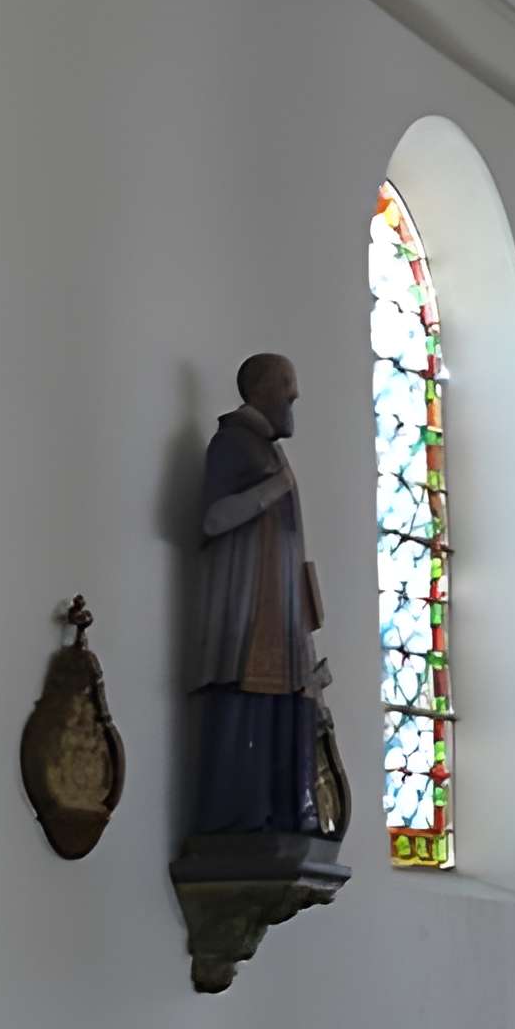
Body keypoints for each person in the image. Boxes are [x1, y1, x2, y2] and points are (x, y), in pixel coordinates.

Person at [192, 354, 327, 836]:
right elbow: (212, 519)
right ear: (262, 390)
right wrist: (273, 489)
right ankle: (237, 818)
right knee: (244, 701)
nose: (295, 396)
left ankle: (284, 814)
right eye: (287, 385)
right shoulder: (231, 444)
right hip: (247, 606)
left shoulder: (272, 451)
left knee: (286, 705)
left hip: (284, 606)